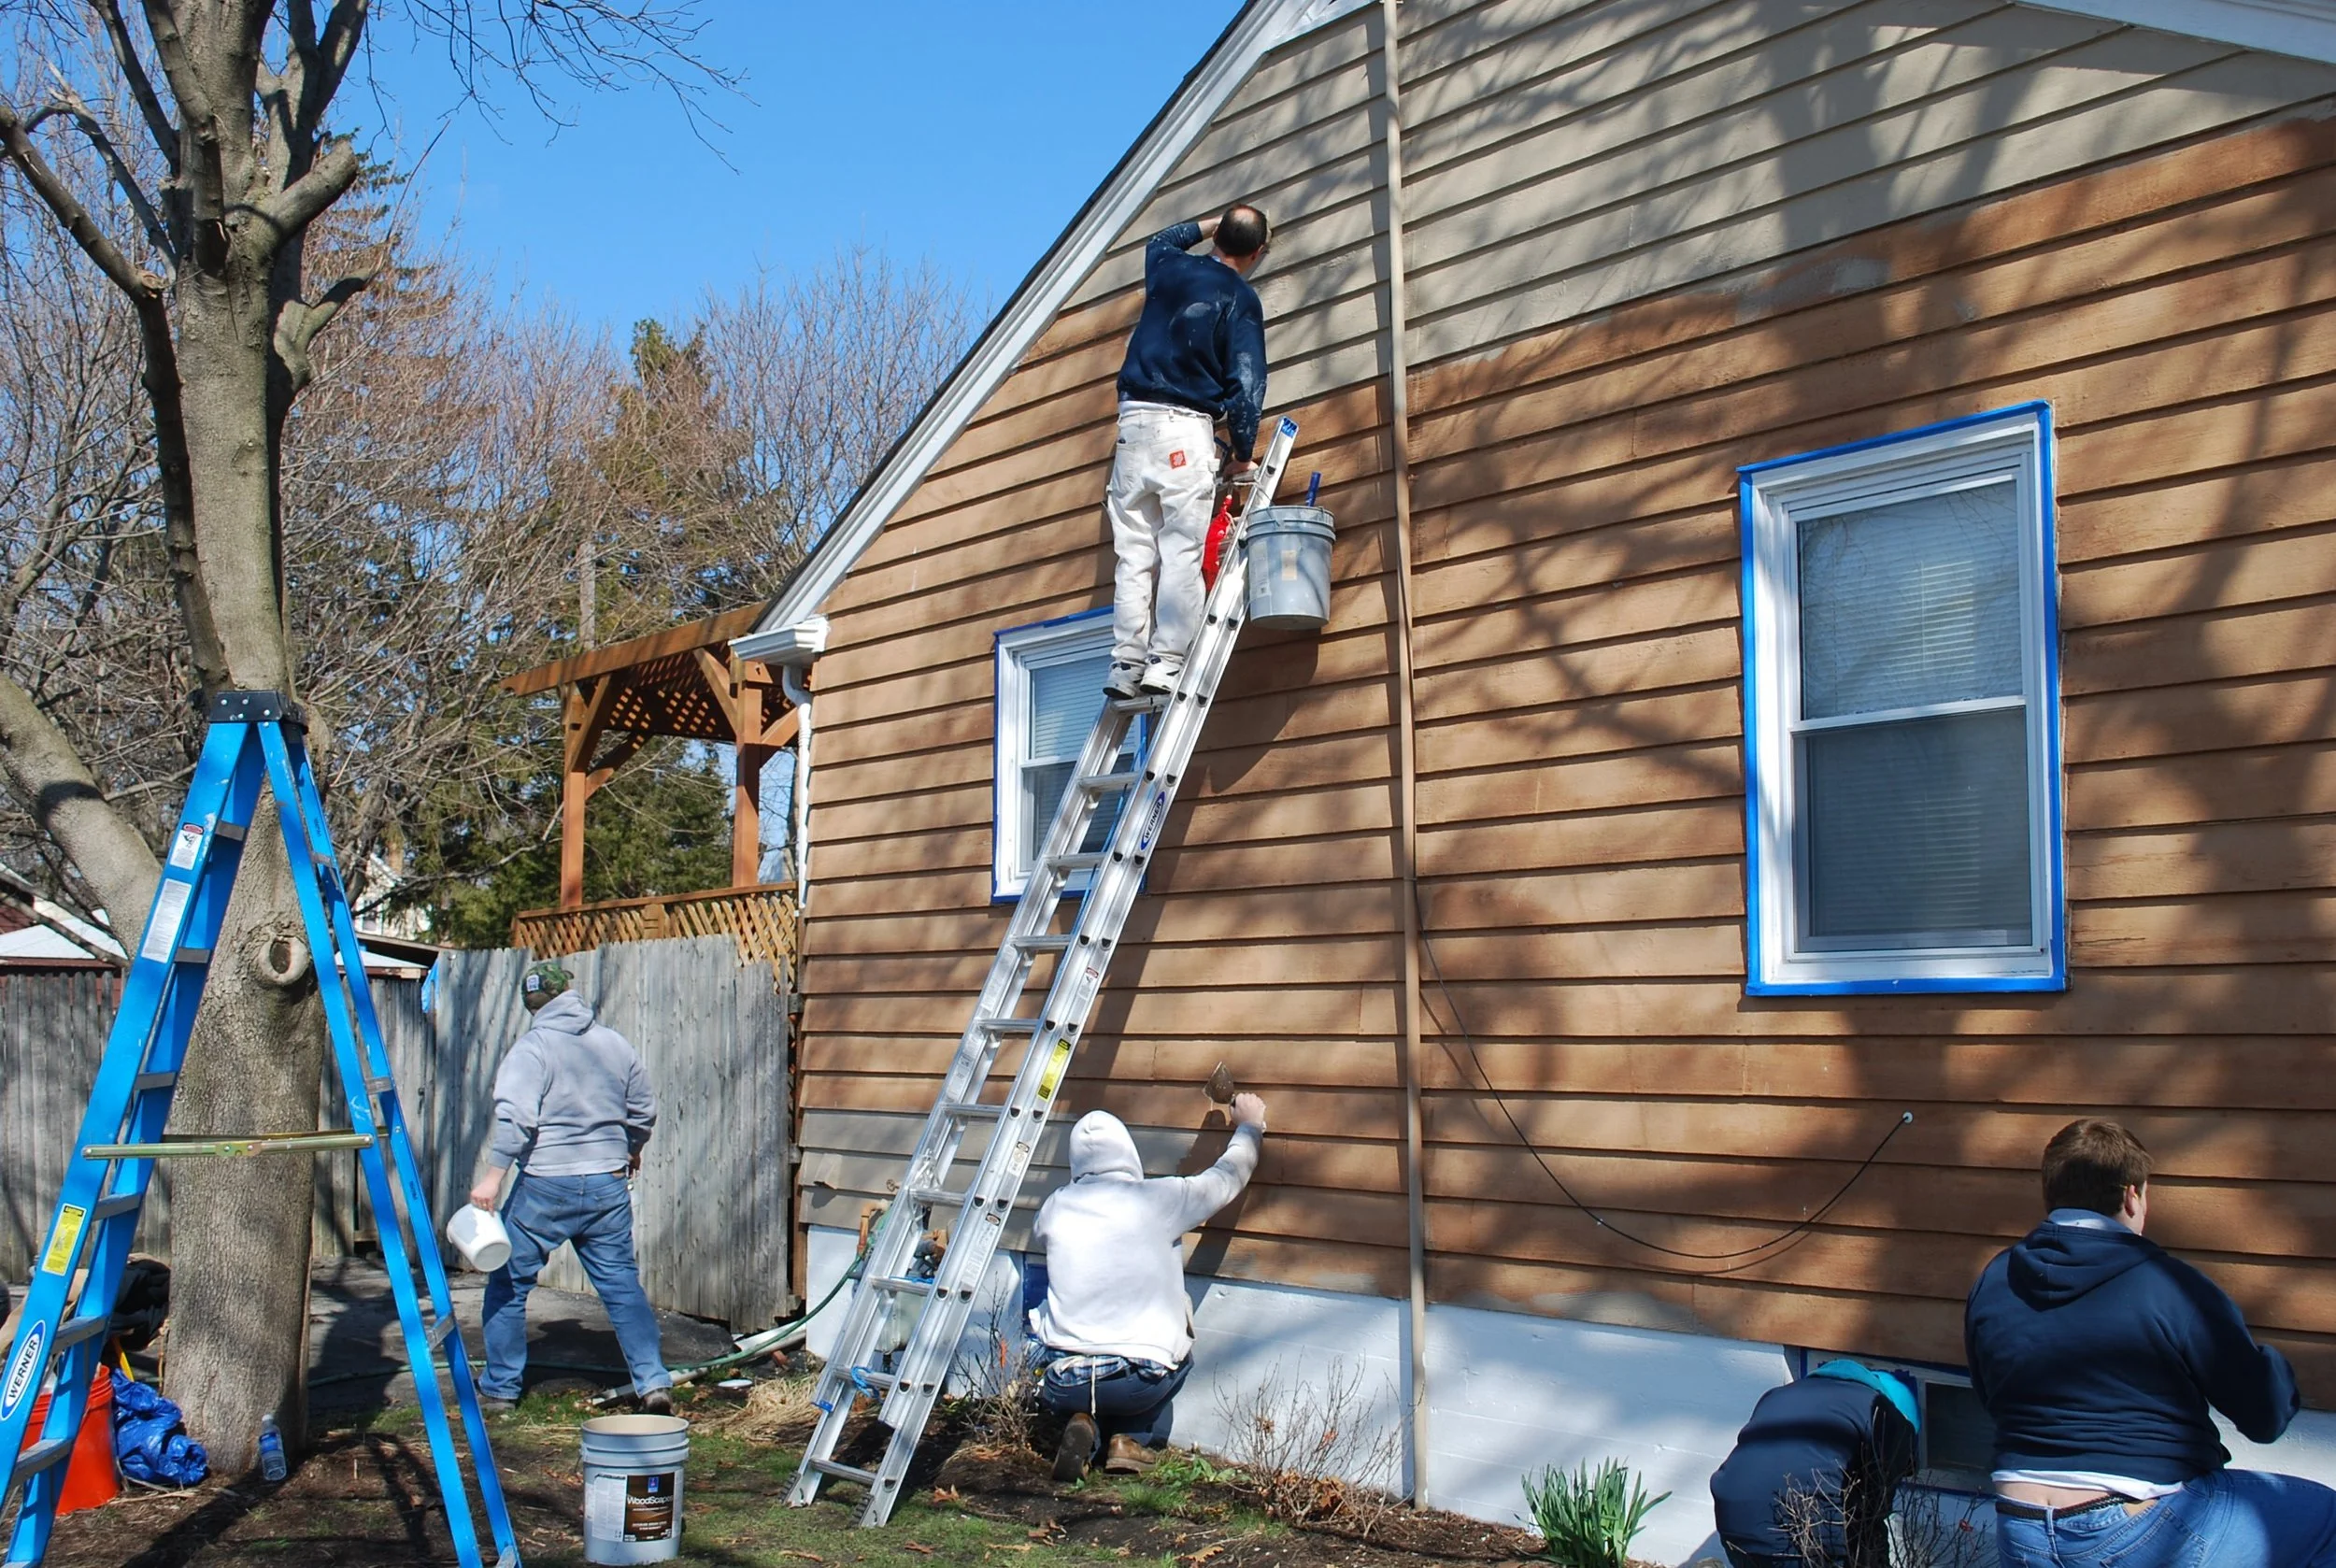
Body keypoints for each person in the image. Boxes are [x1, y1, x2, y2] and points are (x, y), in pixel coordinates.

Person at [1965, 1118, 2330, 1567]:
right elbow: (2265, 1417)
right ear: (2131, 1195)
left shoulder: (1996, 1280)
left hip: (2021, 1523)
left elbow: (1991, 1394)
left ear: (2051, 1195)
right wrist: (2275, 1367)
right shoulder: (2168, 1286)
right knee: (2326, 1520)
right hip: (2140, 1521)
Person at [468, 962, 671, 1415]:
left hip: (545, 1187)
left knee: (507, 1282)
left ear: (532, 1006)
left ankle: (500, 1389)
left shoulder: (532, 1048)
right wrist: (630, 1149)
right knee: (621, 1284)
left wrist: (492, 1178)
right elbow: (643, 1110)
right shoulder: (614, 1045)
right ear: (571, 996)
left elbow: (517, 1121)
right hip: (607, 1184)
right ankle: (654, 1381)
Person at [1029, 1093, 1267, 1479]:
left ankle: (1085, 1429)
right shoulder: (1155, 1198)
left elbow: (1045, 1230)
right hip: (1134, 1381)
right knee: (1175, 1350)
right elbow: (1224, 1180)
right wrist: (1249, 1127)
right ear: (1126, 1152)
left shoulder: (1056, 1207)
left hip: (1062, 1382)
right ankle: (1128, 1439)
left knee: (1082, 1351)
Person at [1103, 204, 1272, 702]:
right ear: (1258, 252)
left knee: (1133, 553)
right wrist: (1243, 453)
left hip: (1132, 427)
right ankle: (1166, 663)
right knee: (1181, 550)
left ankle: (1124, 663)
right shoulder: (1240, 297)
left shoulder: (1168, 267)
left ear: (1218, 235)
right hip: (1183, 428)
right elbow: (1246, 382)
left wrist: (1205, 225)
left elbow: (1162, 239)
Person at [1708, 1360, 1920, 1568]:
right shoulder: (1883, 1412)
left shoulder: (1777, 1395)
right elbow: (1874, 1513)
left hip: (1735, 1525)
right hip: (1805, 1534)